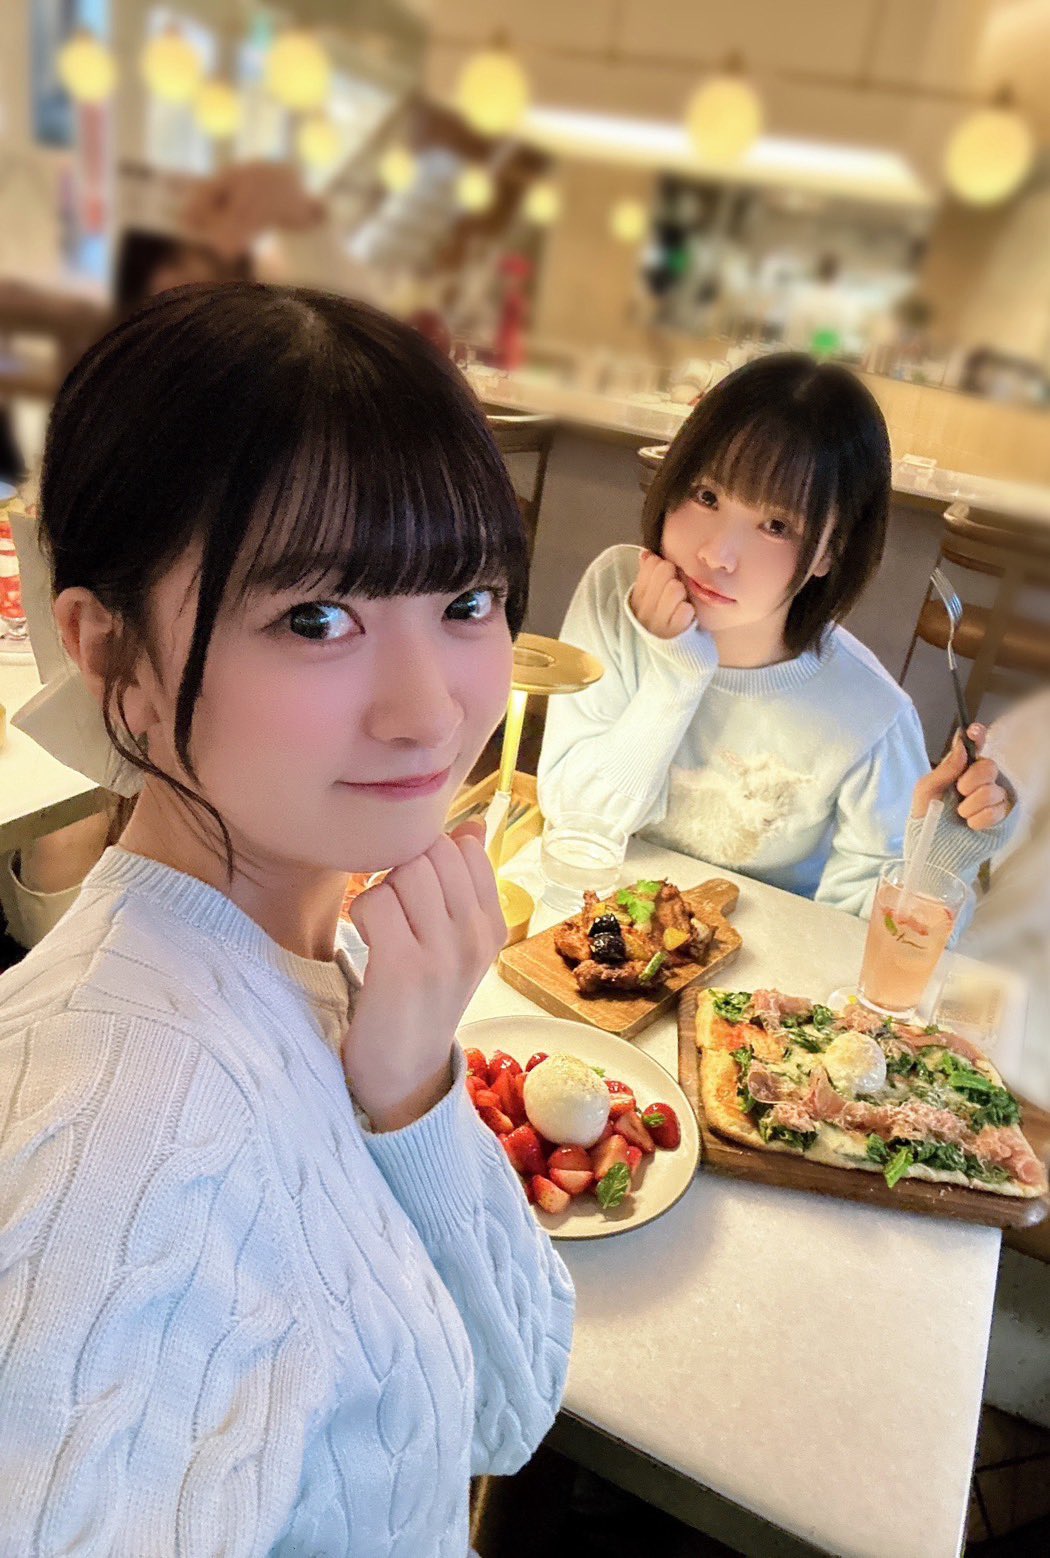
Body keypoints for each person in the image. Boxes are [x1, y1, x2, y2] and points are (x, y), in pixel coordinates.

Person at [0, 284, 574, 1553]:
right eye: (317, 618)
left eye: (468, 600)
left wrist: (413, 1090)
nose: (430, 712)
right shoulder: (122, 1142)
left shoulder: (326, 962)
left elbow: (509, 1407)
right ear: (111, 654)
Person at [538, 354, 1015, 919]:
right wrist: (676, 673)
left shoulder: (871, 717)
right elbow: (576, 820)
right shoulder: (618, 593)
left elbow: (865, 936)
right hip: (592, 932)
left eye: (776, 526)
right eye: (707, 495)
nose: (717, 554)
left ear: (829, 553)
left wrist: (937, 863)